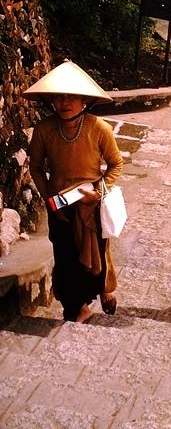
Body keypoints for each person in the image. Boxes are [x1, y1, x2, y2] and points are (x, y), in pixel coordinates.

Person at [23, 61, 124, 323]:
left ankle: (102, 290)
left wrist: (99, 192)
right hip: (59, 205)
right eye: (59, 97)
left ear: (84, 101)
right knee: (65, 257)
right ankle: (75, 307)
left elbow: (116, 163)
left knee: (96, 254)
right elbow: (35, 167)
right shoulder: (44, 130)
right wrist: (48, 197)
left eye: (72, 97)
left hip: (90, 204)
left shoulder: (99, 128)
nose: (65, 102)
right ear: (52, 101)